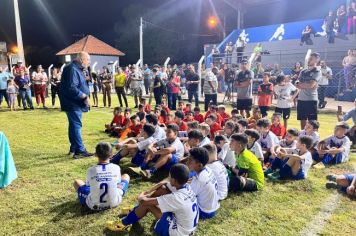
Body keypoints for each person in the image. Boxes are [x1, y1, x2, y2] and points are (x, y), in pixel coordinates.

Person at [106, 164, 198, 235]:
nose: (168, 178)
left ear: (173, 180)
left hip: (178, 232)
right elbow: (164, 184)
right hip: (186, 228)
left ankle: (123, 224)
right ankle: (134, 211)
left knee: (147, 204)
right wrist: (149, 191)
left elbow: (144, 201)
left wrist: (141, 196)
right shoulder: (186, 187)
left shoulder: (177, 197)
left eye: (169, 176)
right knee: (162, 189)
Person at [73, 142, 130, 211]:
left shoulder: (90, 170)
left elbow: (88, 186)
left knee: (77, 182)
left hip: (93, 205)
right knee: (126, 176)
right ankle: (115, 195)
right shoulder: (116, 167)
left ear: (95, 154)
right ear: (111, 155)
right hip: (114, 203)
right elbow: (118, 182)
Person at [59, 51, 93, 158]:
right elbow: (72, 88)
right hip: (73, 102)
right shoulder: (72, 69)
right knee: (76, 125)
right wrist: (84, 96)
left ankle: (73, 148)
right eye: (88, 60)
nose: (89, 62)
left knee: (74, 125)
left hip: (74, 102)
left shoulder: (77, 68)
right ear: (82, 59)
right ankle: (80, 150)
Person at [187, 147, 220, 219]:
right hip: (213, 206)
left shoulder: (200, 179)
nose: (187, 162)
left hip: (205, 212)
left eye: (190, 160)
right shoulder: (207, 169)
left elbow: (186, 196)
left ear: (200, 165)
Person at [296, 52, 321, 130]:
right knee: (302, 120)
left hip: (311, 100)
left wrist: (301, 85)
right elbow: (296, 83)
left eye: (311, 59)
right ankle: (303, 137)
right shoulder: (303, 71)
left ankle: (314, 139)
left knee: (313, 122)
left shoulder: (317, 71)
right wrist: (304, 85)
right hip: (301, 99)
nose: (309, 60)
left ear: (316, 60)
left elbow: (311, 85)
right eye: (309, 58)